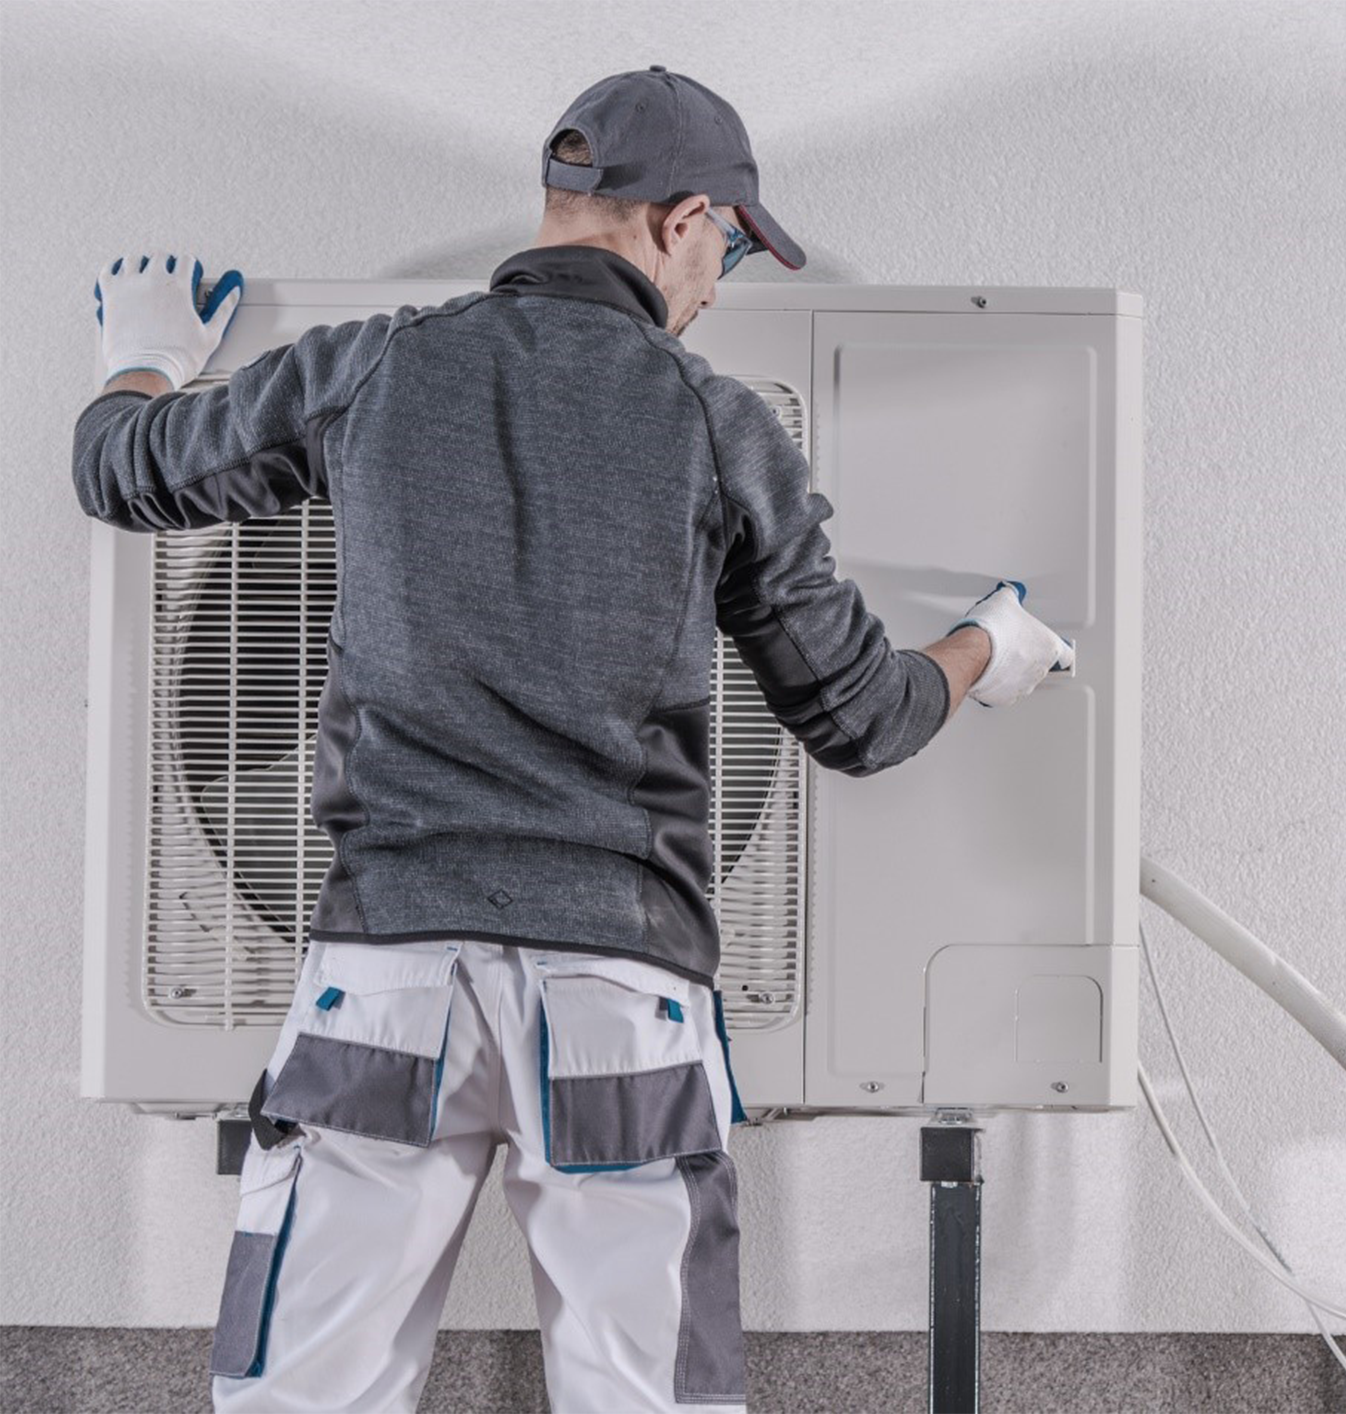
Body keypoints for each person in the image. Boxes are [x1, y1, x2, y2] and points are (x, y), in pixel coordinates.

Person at [72, 66, 1072, 1414]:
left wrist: (143, 353)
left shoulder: (371, 364)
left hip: (386, 978)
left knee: (298, 1394)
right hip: (621, 996)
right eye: (726, 247)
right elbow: (860, 715)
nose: (718, 284)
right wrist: (987, 650)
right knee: (645, 1396)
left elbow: (122, 468)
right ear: (681, 219)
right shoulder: (720, 427)